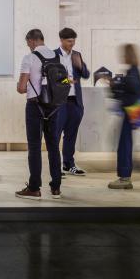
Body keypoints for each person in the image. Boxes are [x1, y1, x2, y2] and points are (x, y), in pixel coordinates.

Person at [14, 29, 62, 200]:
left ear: (32, 40)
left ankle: (34, 188)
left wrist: (21, 85)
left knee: (34, 147)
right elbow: (65, 82)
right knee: (53, 146)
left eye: (28, 43)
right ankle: (56, 188)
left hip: (35, 106)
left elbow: (21, 88)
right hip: (54, 107)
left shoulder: (30, 58)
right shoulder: (58, 57)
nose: (28, 46)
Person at [53, 28, 90, 176]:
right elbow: (51, 78)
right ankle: (55, 166)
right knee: (55, 134)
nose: (72, 43)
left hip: (75, 101)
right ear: (61, 40)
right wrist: (65, 81)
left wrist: (80, 65)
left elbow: (86, 74)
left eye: (74, 40)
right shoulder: (53, 56)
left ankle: (69, 164)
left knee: (71, 134)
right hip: (59, 102)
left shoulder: (76, 55)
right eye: (69, 41)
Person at [108, 44, 140, 190]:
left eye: (124, 54)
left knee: (124, 145)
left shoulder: (132, 72)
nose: (122, 57)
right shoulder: (134, 71)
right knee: (125, 144)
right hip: (132, 112)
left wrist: (117, 85)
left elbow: (135, 89)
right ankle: (125, 176)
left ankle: (124, 178)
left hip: (129, 112)